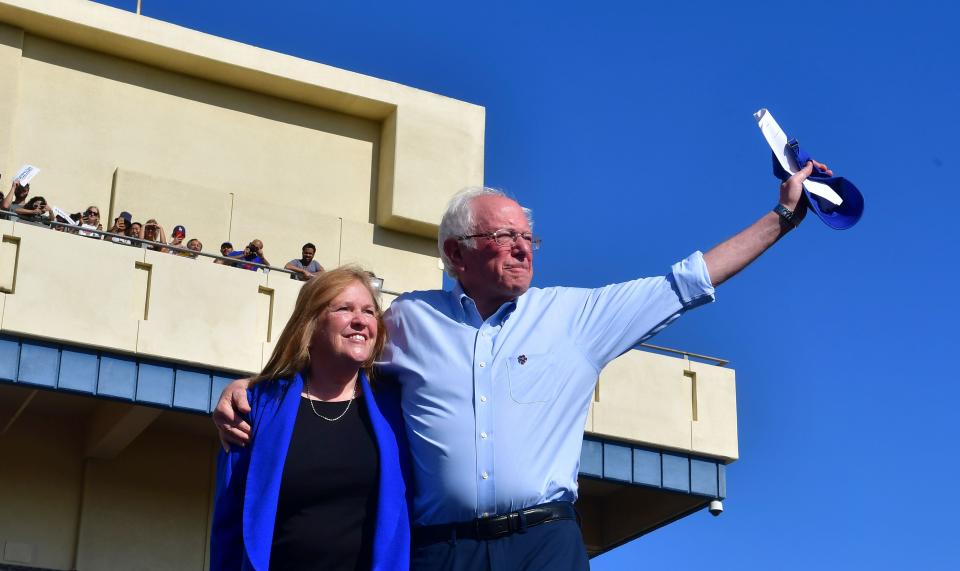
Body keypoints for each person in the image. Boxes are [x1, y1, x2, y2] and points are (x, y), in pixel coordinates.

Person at [216, 161, 828, 569]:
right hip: (441, 552)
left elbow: (685, 282)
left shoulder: (576, 318)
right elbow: (333, 360)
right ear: (457, 254)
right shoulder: (406, 320)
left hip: (546, 544)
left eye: (528, 239)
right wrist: (253, 391)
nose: (521, 249)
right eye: (503, 238)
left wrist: (782, 218)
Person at [210, 266, 410, 571]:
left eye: (369, 311)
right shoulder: (257, 407)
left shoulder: (395, 408)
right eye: (344, 308)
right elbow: (229, 522)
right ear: (311, 324)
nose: (361, 320)